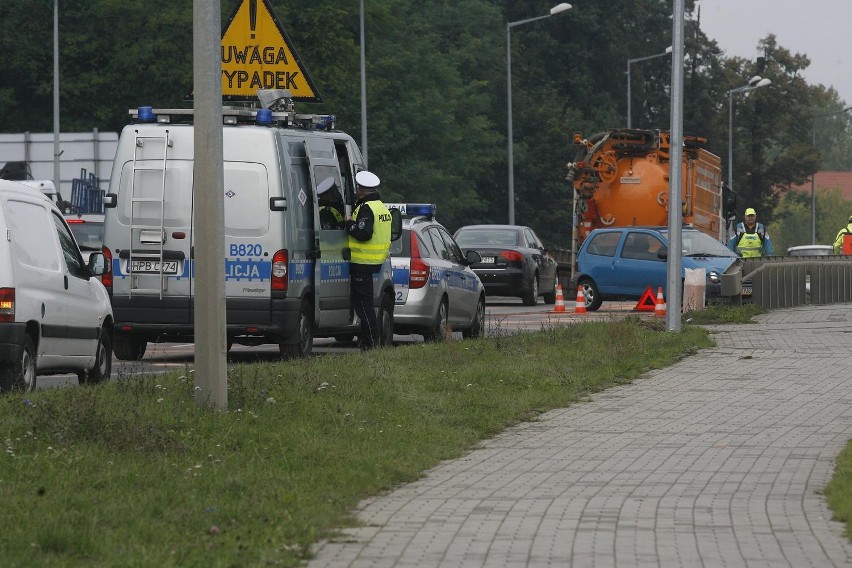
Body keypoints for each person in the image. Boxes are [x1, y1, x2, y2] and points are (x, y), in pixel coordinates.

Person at [346, 170, 392, 349]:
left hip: (362, 263)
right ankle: (369, 342)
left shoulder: (367, 208)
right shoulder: (381, 207)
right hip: (373, 263)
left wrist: (349, 223)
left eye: (358, 189)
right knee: (365, 305)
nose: (357, 191)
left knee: (364, 307)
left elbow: (364, 233)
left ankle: (371, 343)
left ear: (362, 190)